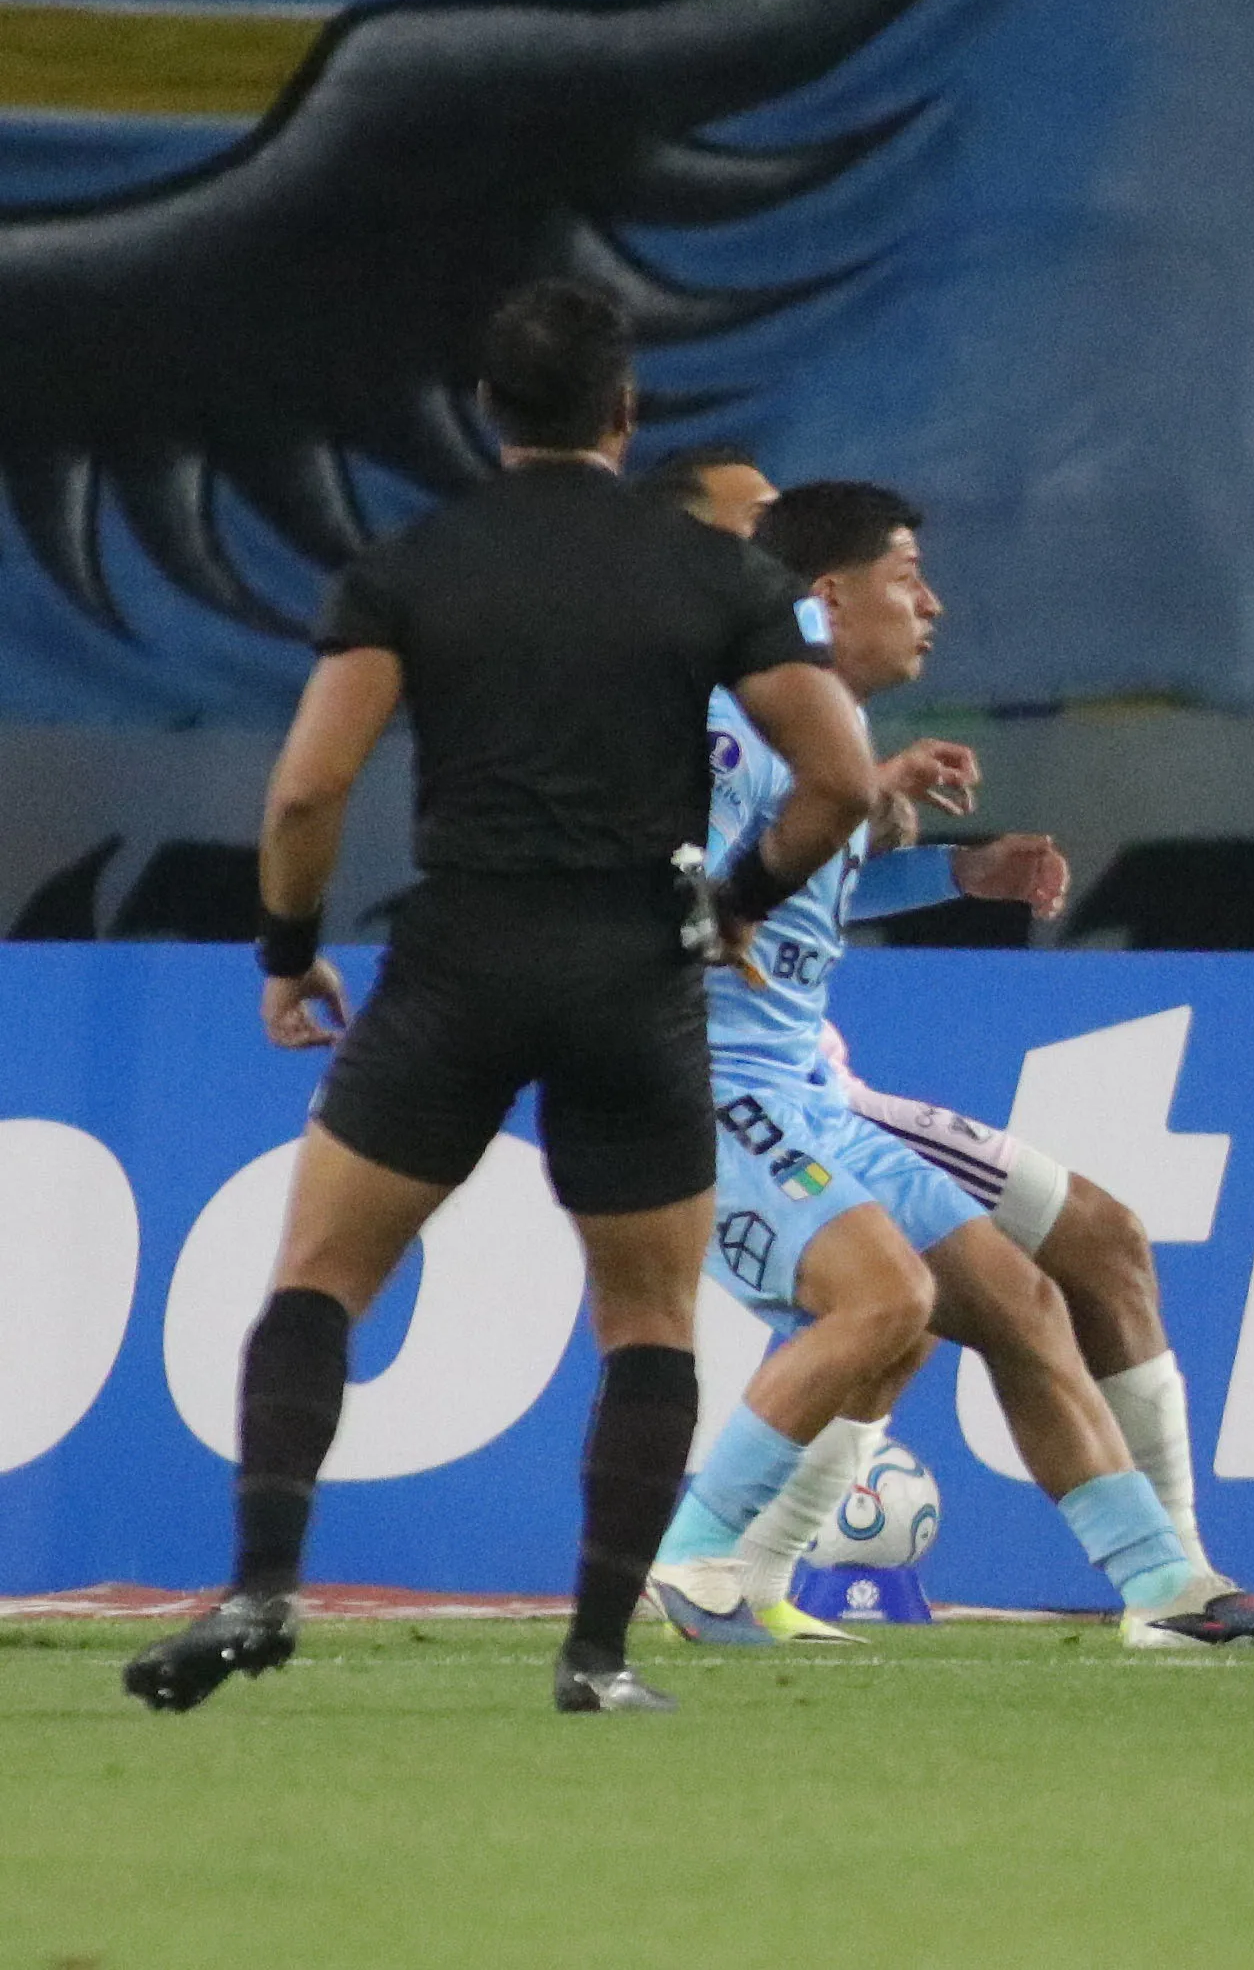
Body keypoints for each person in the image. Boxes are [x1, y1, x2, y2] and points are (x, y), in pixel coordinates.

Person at [120, 281, 880, 1720]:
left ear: (489, 408)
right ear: (624, 408)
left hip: (456, 958)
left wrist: (288, 947)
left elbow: (308, 784)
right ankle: (595, 1654)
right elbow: (838, 778)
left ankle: (261, 1587)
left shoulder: (416, 562)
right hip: (634, 971)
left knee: (321, 1278)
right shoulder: (713, 572)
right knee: (646, 1317)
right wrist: (735, 906)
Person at [635, 480, 1254, 1652]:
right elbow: (653, 883)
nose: (933, 606)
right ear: (827, 597)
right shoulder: (720, 726)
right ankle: (697, 1556)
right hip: (712, 1087)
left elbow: (802, 883)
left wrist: (952, 872)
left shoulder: (818, 732)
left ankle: (1164, 1585)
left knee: (1023, 1298)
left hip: (803, 1090)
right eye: (907, 578)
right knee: (890, 1306)